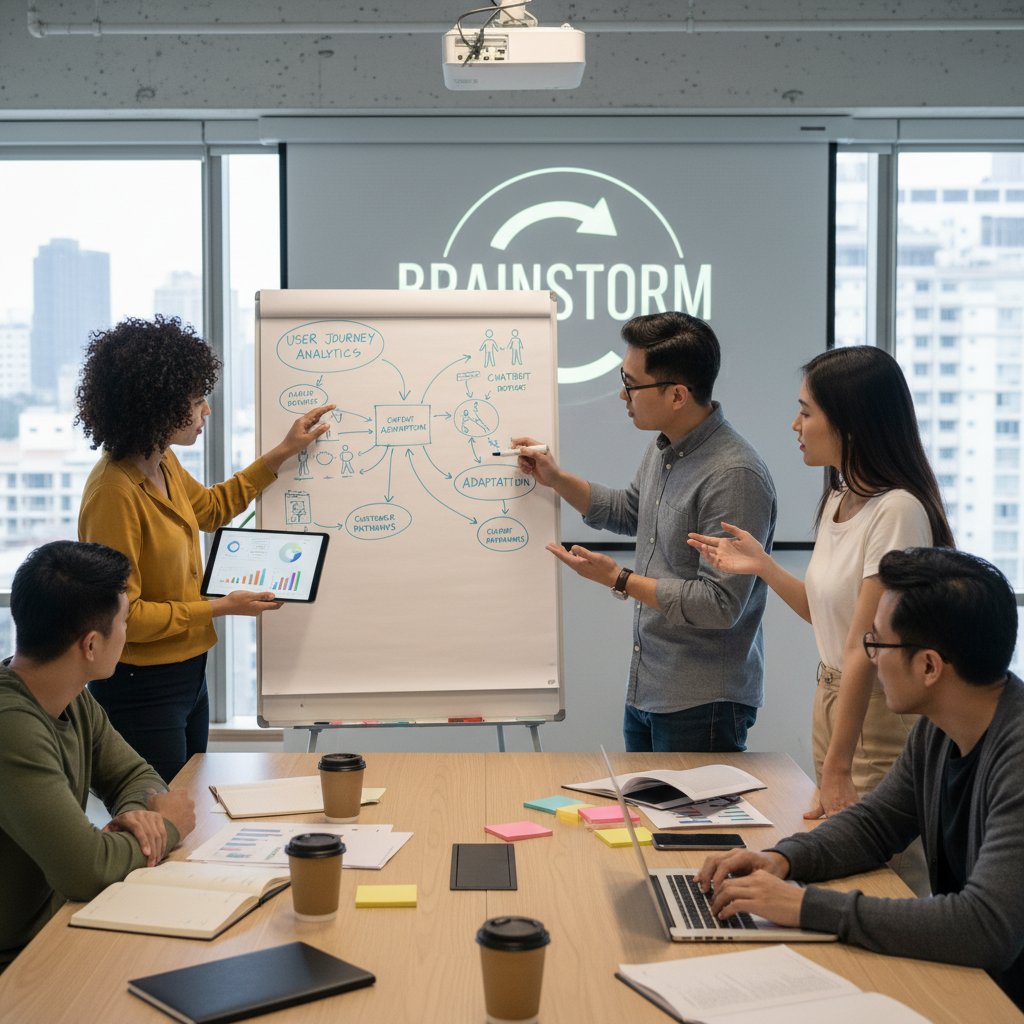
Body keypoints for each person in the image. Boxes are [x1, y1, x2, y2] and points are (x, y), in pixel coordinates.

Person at [695, 547, 1024, 1011]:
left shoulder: (1017, 755)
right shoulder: (940, 728)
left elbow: (985, 927)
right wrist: (780, 860)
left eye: (878, 644)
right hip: (972, 982)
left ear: (929, 666)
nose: (869, 658)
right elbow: (874, 824)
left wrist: (803, 907)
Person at [688, 346, 953, 819]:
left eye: (806, 413)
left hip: (875, 707)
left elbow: (864, 646)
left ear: (851, 424)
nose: (796, 425)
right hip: (831, 696)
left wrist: (837, 766)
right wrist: (764, 566)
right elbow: (824, 613)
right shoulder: (839, 497)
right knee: (840, 839)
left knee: (882, 864)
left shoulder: (897, 510)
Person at [75, 315, 333, 782]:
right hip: (142, 685)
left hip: (190, 672)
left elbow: (211, 509)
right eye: (196, 402)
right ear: (155, 409)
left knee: (187, 803)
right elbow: (124, 616)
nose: (206, 411)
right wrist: (218, 607)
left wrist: (282, 452)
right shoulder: (113, 492)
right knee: (160, 816)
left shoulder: (162, 461)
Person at [515, 312, 777, 752]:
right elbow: (629, 511)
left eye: (632, 383)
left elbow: (719, 604)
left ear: (677, 394)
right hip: (649, 686)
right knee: (645, 821)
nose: (622, 394)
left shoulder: (733, 475)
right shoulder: (666, 449)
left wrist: (619, 580)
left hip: (703, 702)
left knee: (687, 825)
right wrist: (556, 478)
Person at [0, 541, 196, 973]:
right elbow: (85, 870)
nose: (125, 634)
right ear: (91, 645)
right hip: (17, 963)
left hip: (52, 928)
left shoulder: (68, 695)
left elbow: (134, 775)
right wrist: (166, 825)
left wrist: (135, 817)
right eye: (124, 621)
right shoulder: (11, 727)